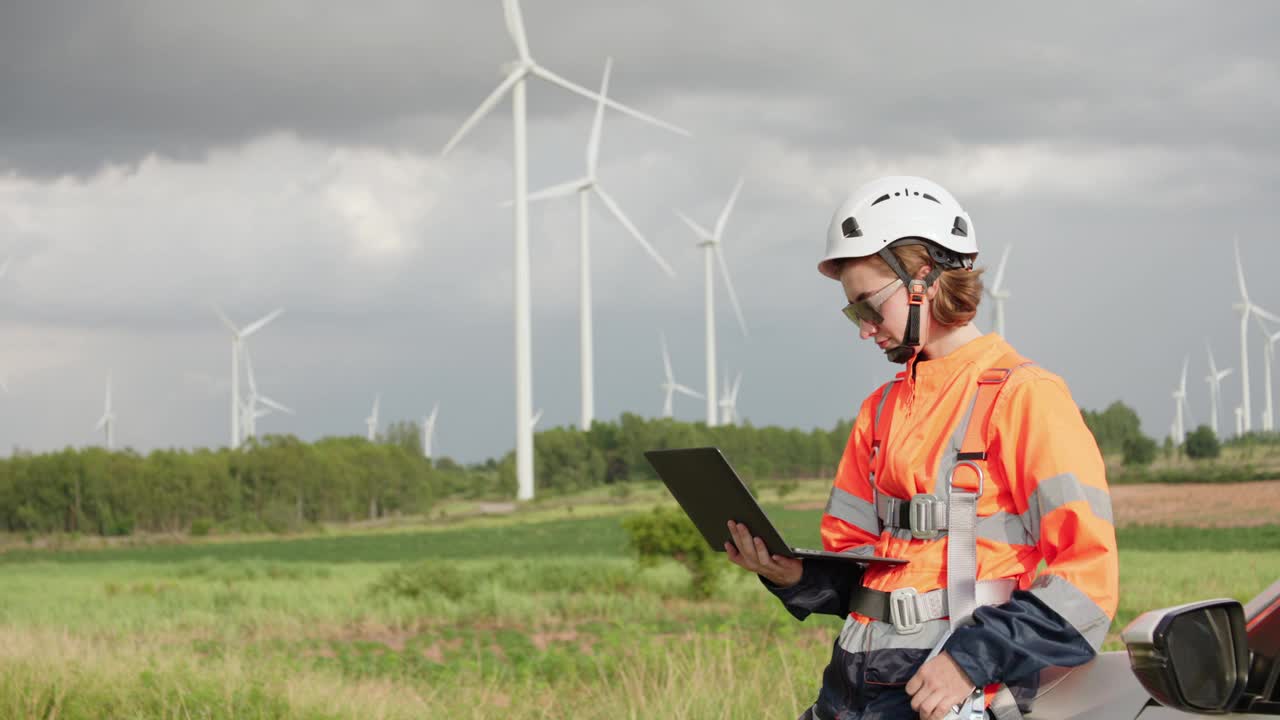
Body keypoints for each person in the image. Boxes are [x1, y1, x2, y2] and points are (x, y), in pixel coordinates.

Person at [725, 175, 1118, 720]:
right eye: (853, 312)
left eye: (868, 306)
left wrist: (969, 660)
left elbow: (1089, 584)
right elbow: (864, 572)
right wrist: (795, 577)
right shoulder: (880, 410)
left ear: (924, 280)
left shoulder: (1027, 397)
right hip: (851, 689)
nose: (864, 329)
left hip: (949, 692)